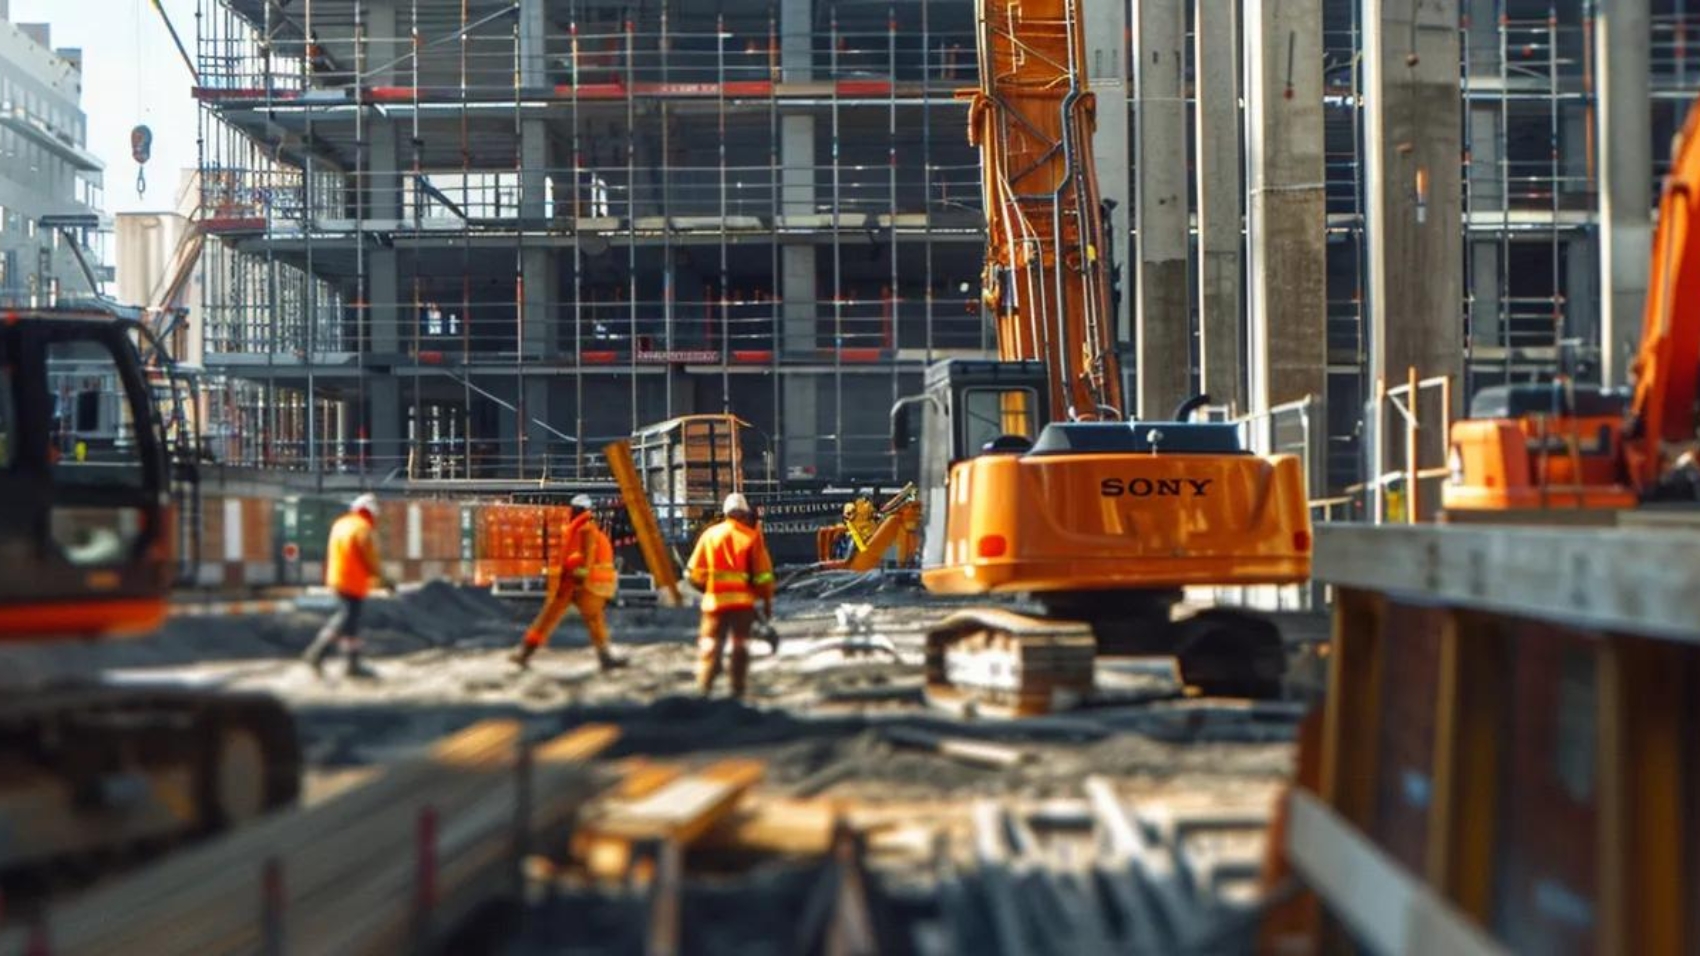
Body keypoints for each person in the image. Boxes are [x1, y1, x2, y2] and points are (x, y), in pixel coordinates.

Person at [509, 494, 623, 671]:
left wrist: (579, 579)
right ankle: (605, 658)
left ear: (578, 510)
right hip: (576, 582)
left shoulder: (586, 528)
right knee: (584, 620)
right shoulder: (578, 528)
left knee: (556, 618)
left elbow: (586, 558)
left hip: (581, 583)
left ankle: (525, 654)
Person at [686, 492, 775, 700]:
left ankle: (705, 686)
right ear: (744, 515)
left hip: (714, 603)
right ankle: (737, 689)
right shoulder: (751, 538)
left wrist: (707, 589)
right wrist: (767, 605)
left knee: (710, 644)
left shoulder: (709, 536)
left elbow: (692, 574)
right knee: (739, 645)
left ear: (725, 514)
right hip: (742, 605)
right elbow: (763, 578)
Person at [303, 493, 393, 679]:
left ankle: (351, 663)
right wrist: (382, 578)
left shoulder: (341, 524)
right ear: (368, 512)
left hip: (337, 578)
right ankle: (318, 652)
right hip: (353, 580)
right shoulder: (362, 528)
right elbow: (368, 555)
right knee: (346, 619)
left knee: (351, 623)